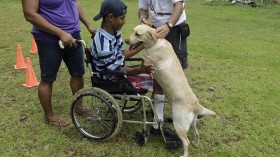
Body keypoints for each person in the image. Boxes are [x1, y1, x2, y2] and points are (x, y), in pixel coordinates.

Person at [91, 0, 181, 142]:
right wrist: (140, 69)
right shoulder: (103, 44)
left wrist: (146, 40)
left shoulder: (113, 33)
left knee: (159, 78)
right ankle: (158, 123)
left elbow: (124, 54)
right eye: (122, 18)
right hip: (111, 78)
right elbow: (117, 69)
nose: (124, 21)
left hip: (117, 71)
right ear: (110, 18)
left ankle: (159, 119)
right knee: (158, 81)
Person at [21, 0, 96, 127]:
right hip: (48, 39)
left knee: (78, 73)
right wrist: (60, 33)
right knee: (48, 79)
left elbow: (74, 3)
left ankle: (78, 106)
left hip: (73, 35)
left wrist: (88, 24)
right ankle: (49, 116)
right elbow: (30, 14)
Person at [138, 0, 190, 122]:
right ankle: (157, 115)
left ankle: (184, 110)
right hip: (156, 31)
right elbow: (143, 9)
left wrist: (168, 25)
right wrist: (143, 17)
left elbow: (179, 6)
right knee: (157, 74)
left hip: (175, 28)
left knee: (176, 73)